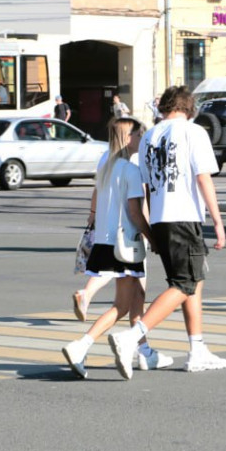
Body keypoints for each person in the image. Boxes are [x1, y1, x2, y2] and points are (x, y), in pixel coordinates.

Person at [107, 85, 226, 378]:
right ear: (189, 108)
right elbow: (203, 178)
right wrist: (218, 222)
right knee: (184, 284)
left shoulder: (149, 136)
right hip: (185, 217)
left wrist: (152, 229)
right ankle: (132, 336)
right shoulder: (193, 131)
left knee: (192, 282)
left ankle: (197, 349)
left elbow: (148, 187)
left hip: (162, 218)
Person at [61, 117, 173, 377]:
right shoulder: (131, 171)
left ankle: (136, 350)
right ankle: (85, 345)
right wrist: (152, 237)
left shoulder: (107, 166)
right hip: (125, 244)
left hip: (104, 241)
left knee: (129, 302)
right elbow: (135, 213)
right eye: (137, 135)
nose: (141, 139)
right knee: (123, 305)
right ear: (127, 138)